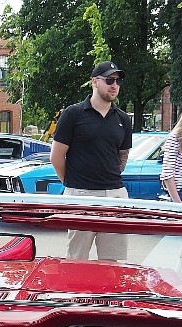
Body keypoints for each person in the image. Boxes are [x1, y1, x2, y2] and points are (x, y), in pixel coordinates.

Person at [50, 61, 132, 260]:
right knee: (76, 260)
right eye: (109, 80)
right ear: (95, 82)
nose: (115, 85)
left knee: (113, 261)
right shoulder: (73, 114)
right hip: (80, 195)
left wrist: (110, 179)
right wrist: (71, 185)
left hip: (115, 195)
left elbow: (123, 155)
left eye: (118, 81)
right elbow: (56, 156)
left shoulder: (123, 118)